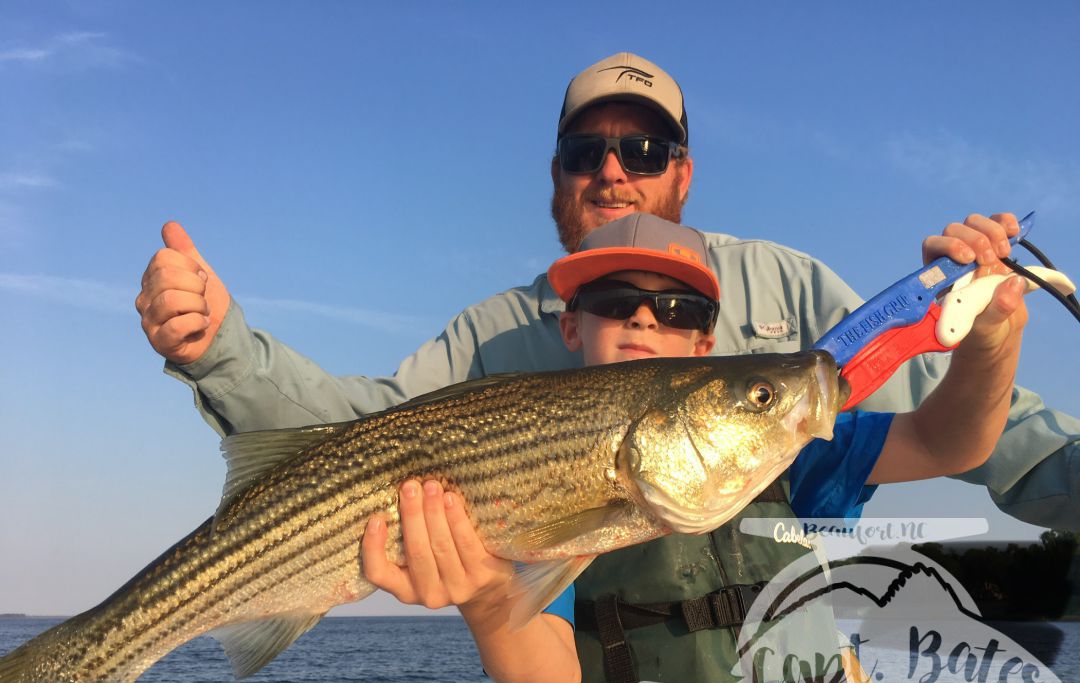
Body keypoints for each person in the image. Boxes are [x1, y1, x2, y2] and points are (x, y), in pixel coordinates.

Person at [135, 52, 1078, 532]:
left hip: (794, 667)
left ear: (684, 174)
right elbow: (361, 433)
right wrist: (219, 347)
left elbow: (967, 435)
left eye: (645, 150)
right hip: (584, 678)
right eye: (588, 153)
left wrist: (993, 332)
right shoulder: (492, 331)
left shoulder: (792, 283)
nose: (615, 172)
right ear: (557, 178)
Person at [358, 212, 1027, 683]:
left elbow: (948, 441)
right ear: (571, 325)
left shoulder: (795, 453)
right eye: (616, 301)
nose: (646, 319)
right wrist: (485, 603)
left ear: (706, 344)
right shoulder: (521, 472)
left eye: (678, 309)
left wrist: (990, 342)